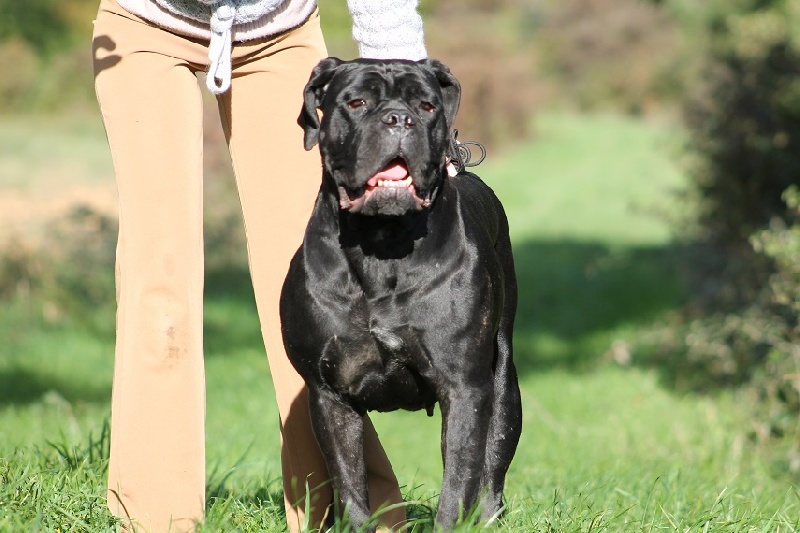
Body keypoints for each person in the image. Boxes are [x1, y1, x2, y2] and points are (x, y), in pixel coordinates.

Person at [91, 0, 427, 531]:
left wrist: (406, 79)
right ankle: (152, 517)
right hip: (145, 22)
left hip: (279, 29)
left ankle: (353, 515)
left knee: (314, 285)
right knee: (159, 278)